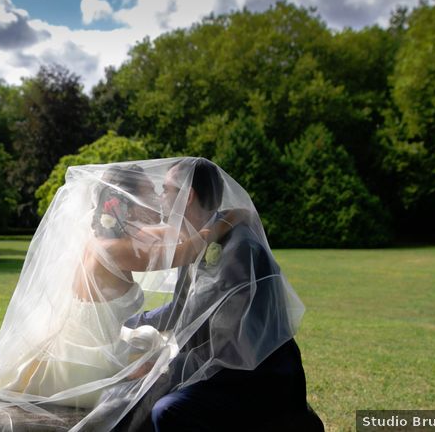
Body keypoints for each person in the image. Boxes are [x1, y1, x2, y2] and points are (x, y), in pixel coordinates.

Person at [0, 158, 310, 432]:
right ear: (126, 203)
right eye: (152, 195)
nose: (160, 204)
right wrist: (230, 218)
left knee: (156, 361)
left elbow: (178, 242)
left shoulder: (125, 238)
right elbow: (189, 249)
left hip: (95, 343)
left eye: (165, 194)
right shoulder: (113, 247)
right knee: (149, 375)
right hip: (85, 359)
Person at [120, 157, 323, 431]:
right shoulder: (198, 239)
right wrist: (131, 323)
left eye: (165, 190)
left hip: (253, 376)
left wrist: (163, 363)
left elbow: (215, 331)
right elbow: (181, 308)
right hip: (216, 366)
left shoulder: (239, 247)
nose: (160, 197)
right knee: (128, 398)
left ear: (187, 196)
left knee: (165, 409)